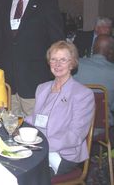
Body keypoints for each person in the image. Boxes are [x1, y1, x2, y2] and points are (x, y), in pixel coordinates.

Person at [0, 0, 64, 116]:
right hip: (8, 85)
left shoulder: (47, 2)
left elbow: (57, 44)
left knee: (37, 132)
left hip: (36, 84)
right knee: (10, 130)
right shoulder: (2, 4)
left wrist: (58, 76)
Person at [26, 41, 94, 176]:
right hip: (36, 148)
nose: (57, 64)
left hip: (62, 154)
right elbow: (34, 119)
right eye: (54, 59)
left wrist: (42, 145)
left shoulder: (82, 94)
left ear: (72, 63)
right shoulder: (42, 88)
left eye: (63, 60)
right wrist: (17, 125)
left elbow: (75, 136)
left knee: (29, 175)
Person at [74, 35, 114, 125]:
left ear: (93, 48)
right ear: (111, 51)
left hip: (76, 124)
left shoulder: (76, 65)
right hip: (102, 129)